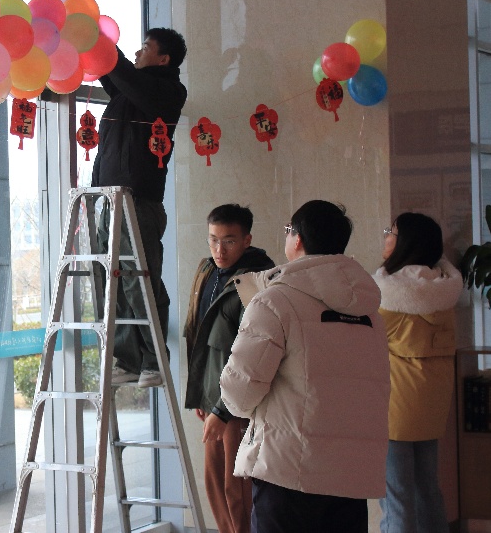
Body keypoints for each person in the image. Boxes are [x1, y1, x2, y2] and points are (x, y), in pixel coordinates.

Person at [220, 200, 390, 533]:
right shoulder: (369, 312)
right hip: (351, 476)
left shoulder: (275, 301)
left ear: (297, 239)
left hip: (287, 472)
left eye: (288, 230)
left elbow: (239, 395)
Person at [92, 27, 188, 388]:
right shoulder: (127, 93)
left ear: (163, 59)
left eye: (145, 48)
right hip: (108, 199)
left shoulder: (167, 91)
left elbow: (123, 73)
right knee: (113, 282)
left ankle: (154, 360)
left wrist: (100, 40)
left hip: (138, 201)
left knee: (139, 281)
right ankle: (129, 359)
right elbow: (111, 71)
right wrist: (91, 45)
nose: (137, 52)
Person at [183, 204, 274, 533]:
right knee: (216, 484)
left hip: (239, 401)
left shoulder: (257, 281)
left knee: (237, 489)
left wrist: (222, 408)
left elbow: (252, 353)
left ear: (247, 240)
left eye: (229, 241)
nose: (219, 250)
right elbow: (197, 335)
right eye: (213, 240)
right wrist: (201, 395)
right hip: (213, 397)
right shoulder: (206, 270)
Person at [372, 213, 461, 533]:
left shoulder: (388, 296)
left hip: (394, 407)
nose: (386, 237)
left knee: (396, 498)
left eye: (391, 232)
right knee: (427, 490)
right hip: (431, 406)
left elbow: (362, 343)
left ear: (406, 242)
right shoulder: (443, 291)